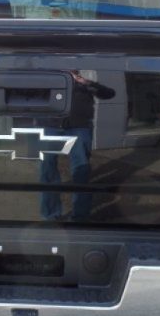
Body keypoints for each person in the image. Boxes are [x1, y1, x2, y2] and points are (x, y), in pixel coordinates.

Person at [39, 70, 115, 221]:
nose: (68, 73)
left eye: (71, 71)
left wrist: (86, 83)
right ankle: (50, 215)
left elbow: (108, 93)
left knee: (81, 171)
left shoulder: (85, 86)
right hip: (50, 127)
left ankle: (80, 217)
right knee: (47, 170)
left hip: (79, 129)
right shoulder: (49, 82)